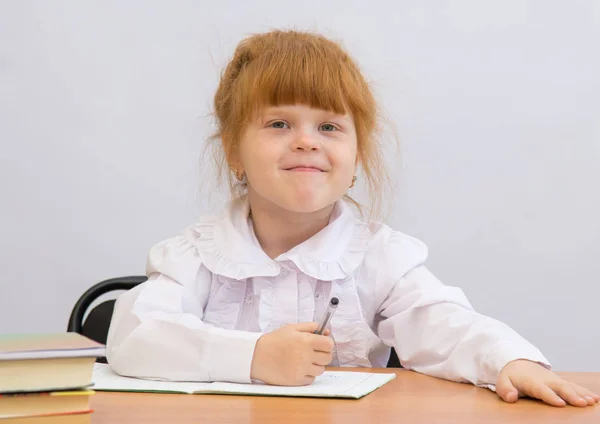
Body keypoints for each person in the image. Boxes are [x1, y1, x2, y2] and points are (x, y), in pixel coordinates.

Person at [106, 30, 598, 407]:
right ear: (234, 150)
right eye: (279, 123)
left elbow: (444, 324)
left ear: (356, 156)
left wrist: (508, 358)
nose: (307, 141)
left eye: (329, 126)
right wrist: (252, 357)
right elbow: (134, 337)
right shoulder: (198, 254)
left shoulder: (378, 257)